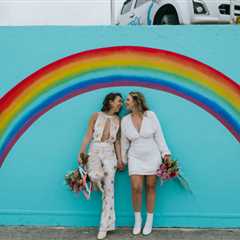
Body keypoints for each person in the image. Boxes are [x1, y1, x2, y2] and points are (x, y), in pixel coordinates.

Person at [121, 91, 171, 235]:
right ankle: (138, 220)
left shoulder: (151, 115)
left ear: (136, 101)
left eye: (128, 100)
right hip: (135, 157)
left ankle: (149, 221)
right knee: (136, 187)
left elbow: (159, 136)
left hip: (153, 156)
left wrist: (165, 153)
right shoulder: (125, 120)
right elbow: (124, 142)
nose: (126, 102)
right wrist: (122, 160)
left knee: (150, 187)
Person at [78, 92, 125, 240]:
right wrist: (81, 153)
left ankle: (104, 226)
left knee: (109, 189)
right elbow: (88, 134)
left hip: (110, 152)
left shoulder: (118, 119)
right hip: (95, 150)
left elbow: (117, 141)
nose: (121, 104)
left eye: (122, 102)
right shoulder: (95, 115)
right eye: (119, 101)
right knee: (95, 176)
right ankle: (95, 181)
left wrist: (120, 159)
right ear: (110, 102)